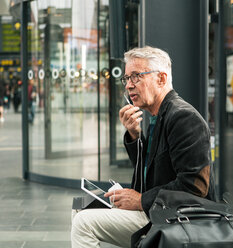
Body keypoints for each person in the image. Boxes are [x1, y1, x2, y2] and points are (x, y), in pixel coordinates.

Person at [71, 46, 216, 248]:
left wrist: (140, 200)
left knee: (83, 222)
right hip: (158, 210)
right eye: (127, 79)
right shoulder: (158, 117)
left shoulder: (184, 117)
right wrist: (134, 134)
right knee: (81, 208)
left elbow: (195, 187)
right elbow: (148, 173)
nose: (129, 86)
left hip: (178, 218)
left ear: (162, 79)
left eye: (136, 76)